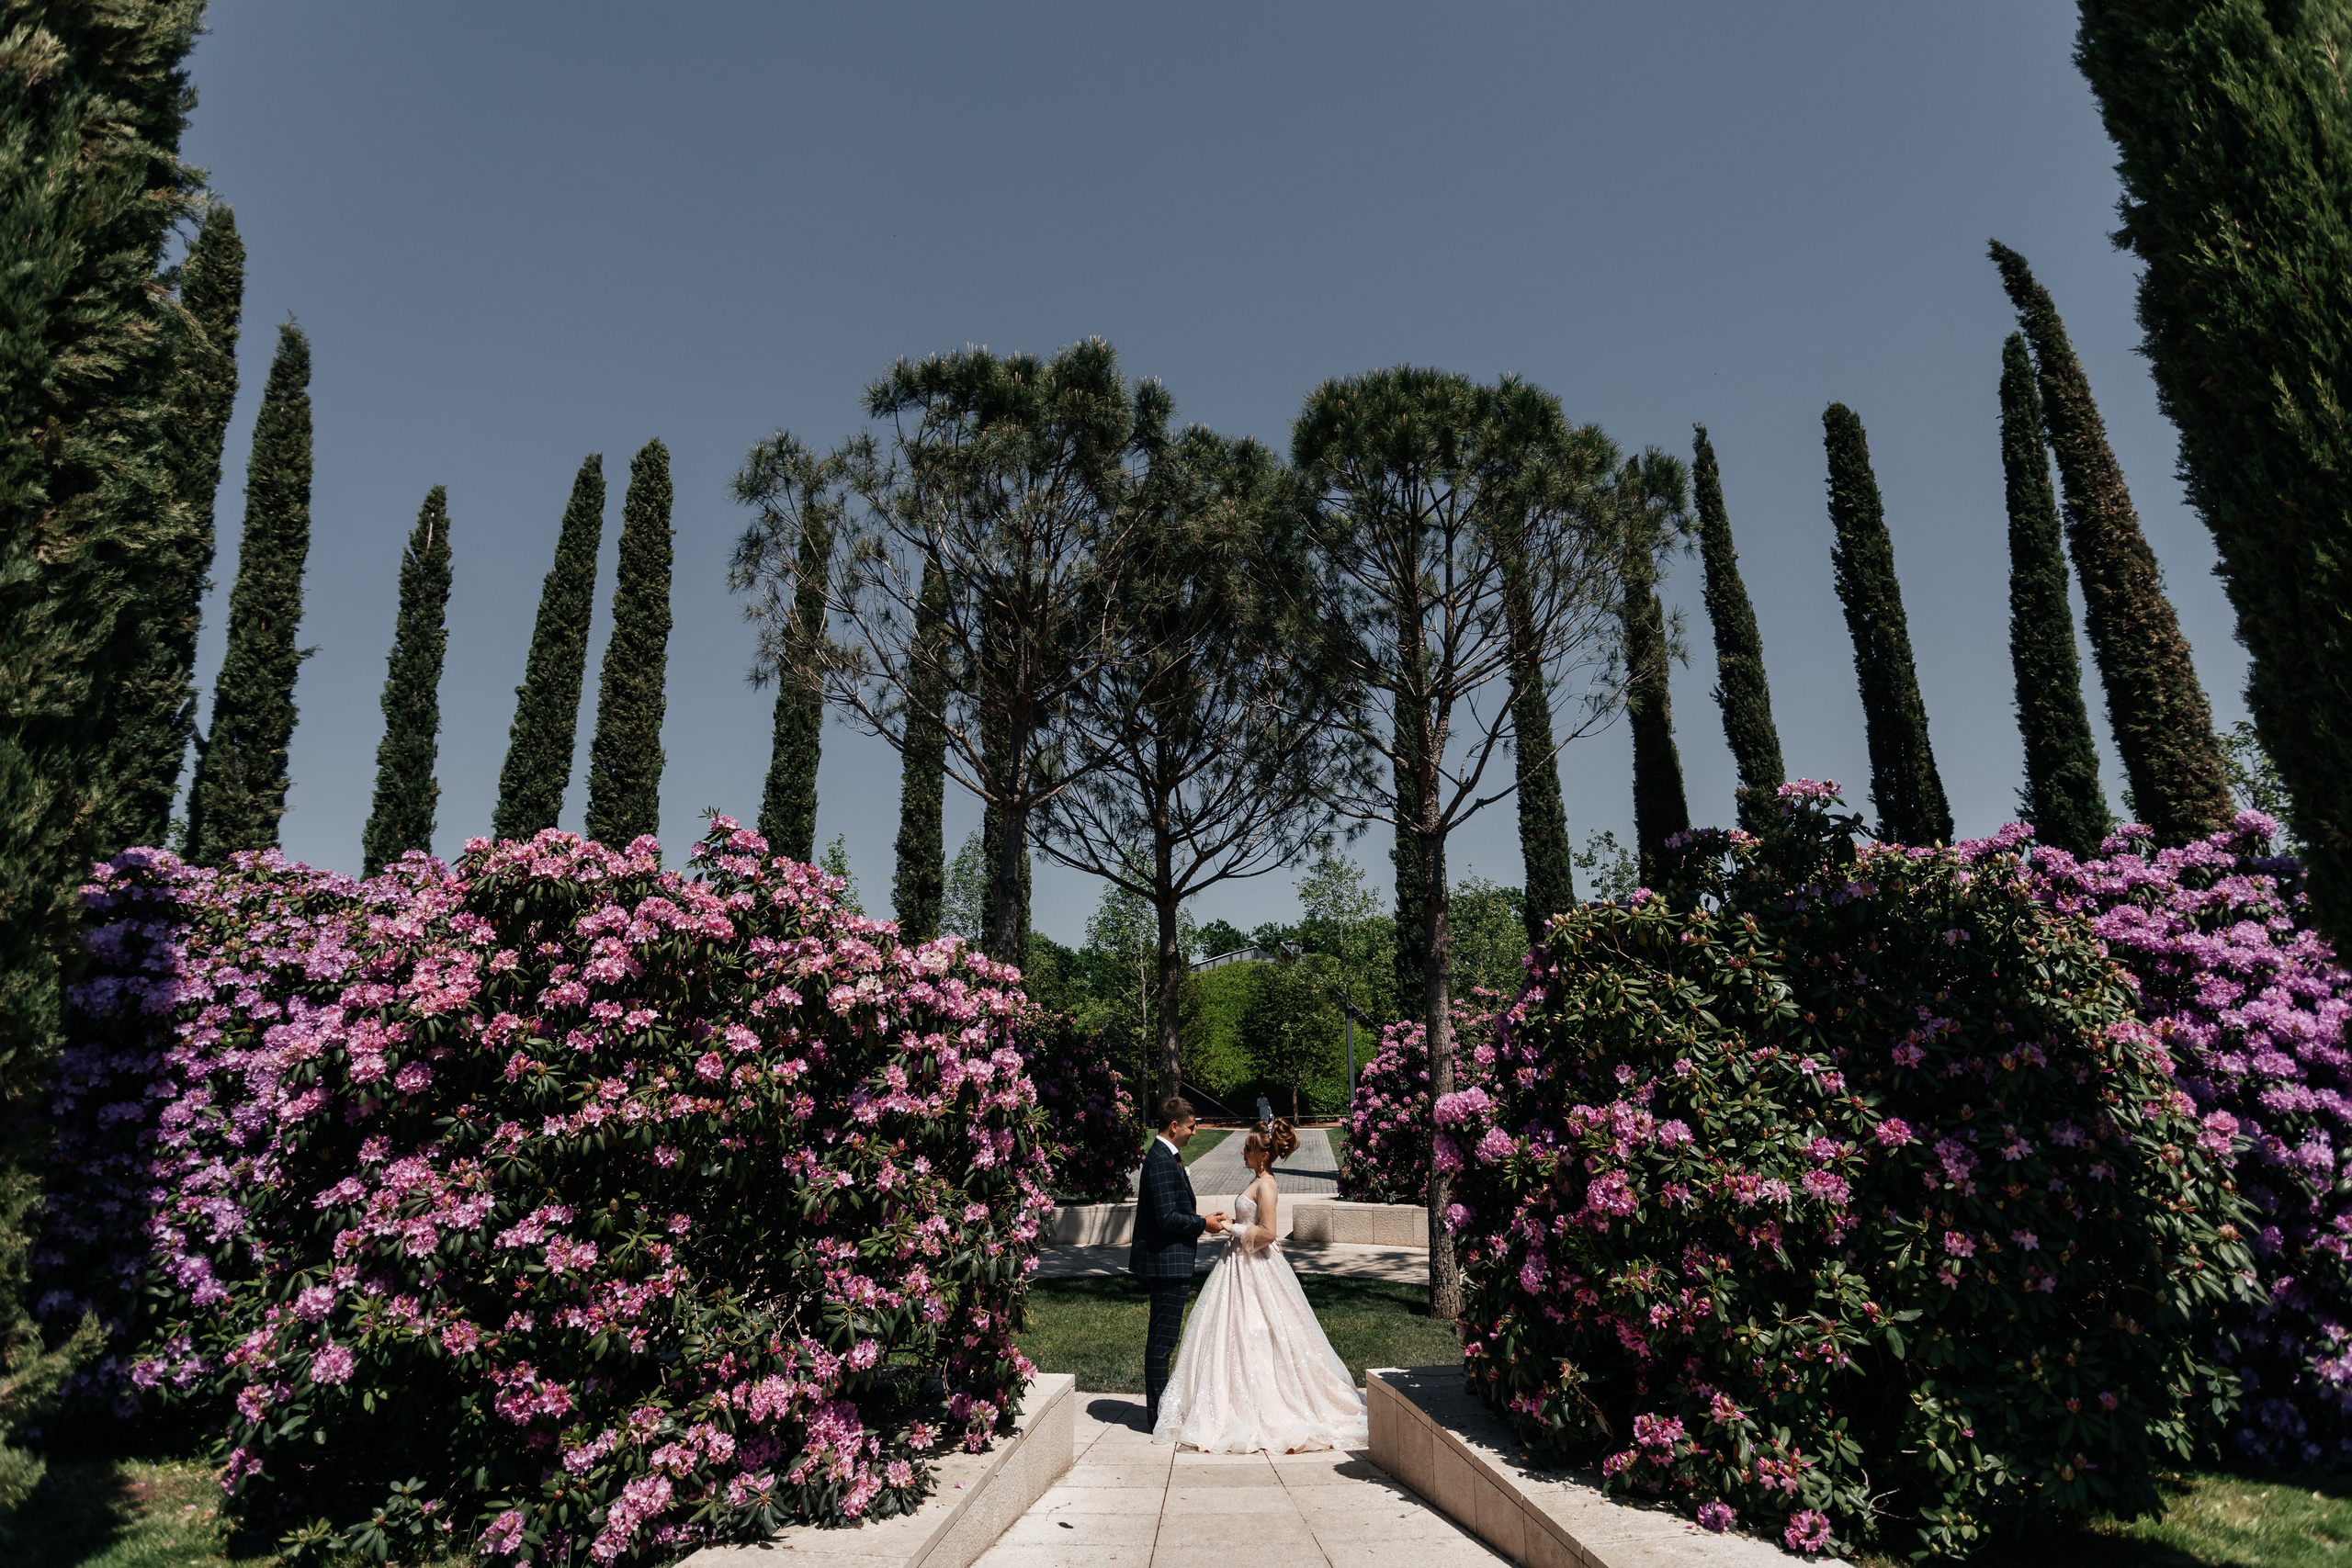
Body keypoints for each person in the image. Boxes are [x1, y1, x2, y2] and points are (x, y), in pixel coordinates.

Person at [1150, 1117, 1370, 1453]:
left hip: (1256, 1267)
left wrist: (1232, 1230)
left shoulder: (1267, 1185)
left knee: (1259, 1330)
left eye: (1248, 1148)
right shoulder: (1258, 1180)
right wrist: (1231, 1223)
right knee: (1227, 1332)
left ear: (1262, 1155)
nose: (1243, 1152)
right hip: (1237, 1265)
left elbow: (1268, 1233)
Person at [1130, 1098, 1227, 1432]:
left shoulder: (1167, 1157)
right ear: (1174, 1126)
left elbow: (1172, 1211)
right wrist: (1203, 1226)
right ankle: (1157, 1418)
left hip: (1173, 1260)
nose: (1194, 1131)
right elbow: (1166, 1218)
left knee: (1165, 1341)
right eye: (1191, 1126)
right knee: (1161, 1343)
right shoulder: (1159, 1160)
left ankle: (1163, 1411)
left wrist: (1202, 1219)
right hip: (1166, 1263)